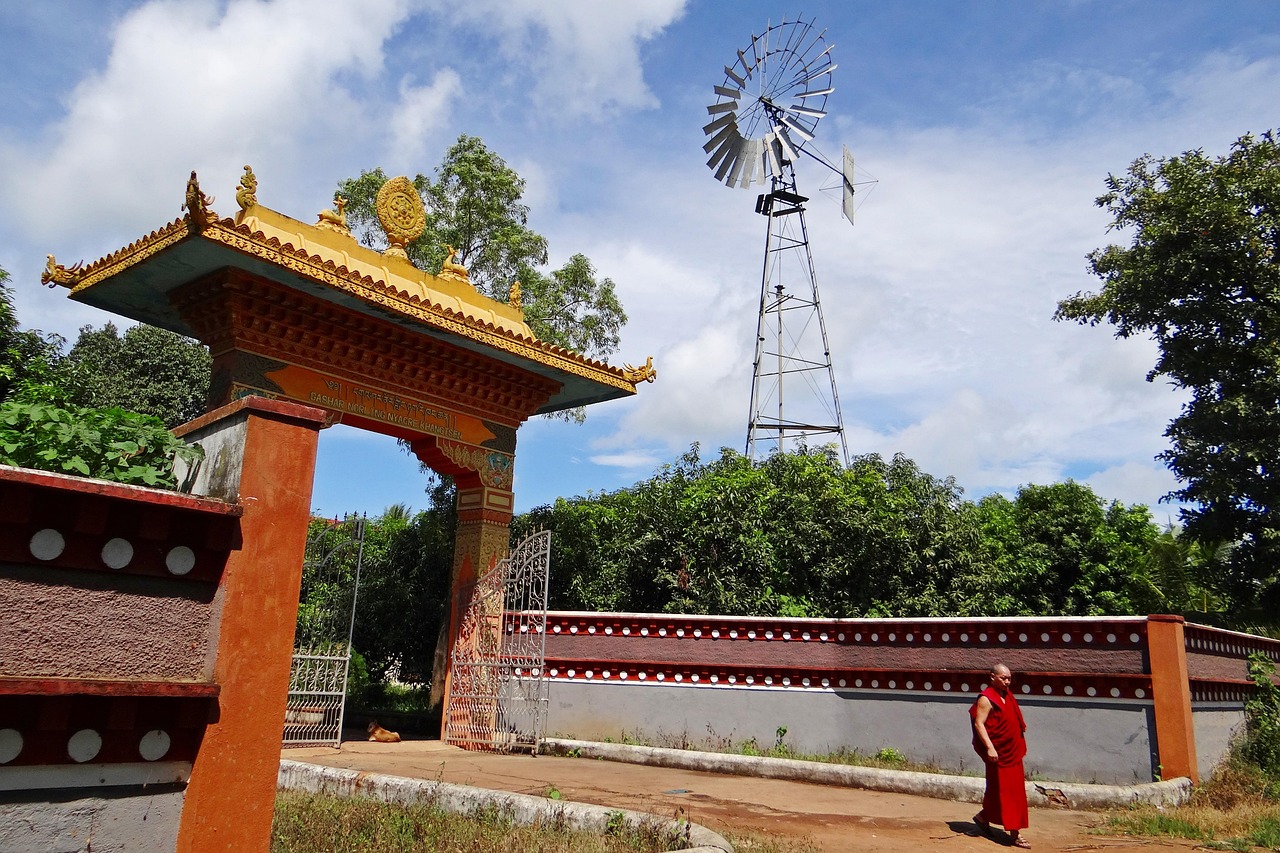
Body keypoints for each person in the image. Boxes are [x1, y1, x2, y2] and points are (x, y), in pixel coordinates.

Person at [970, 663, 1030, 849]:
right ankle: (1015, 834)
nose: (1007, 681)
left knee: (1011, 792)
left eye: (1009, 678)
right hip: (998, 754)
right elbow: (980, 724)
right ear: (992, 677)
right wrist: (990, 748)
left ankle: (983, 817)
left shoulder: (1007, 696)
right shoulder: (986, 699)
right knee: (1004, 792)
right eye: (1003, 678)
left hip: (1012, 752)